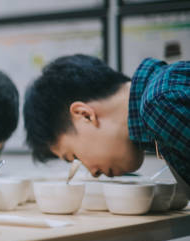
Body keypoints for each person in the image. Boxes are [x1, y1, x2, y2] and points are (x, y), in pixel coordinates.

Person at [23, 54, 189, 194]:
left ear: (84, 115)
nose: (93, 173)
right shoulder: (164, 95)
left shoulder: (161, 103)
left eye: (74, 157)